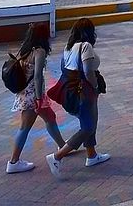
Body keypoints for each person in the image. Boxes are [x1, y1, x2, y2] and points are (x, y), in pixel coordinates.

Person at [46, 18, 109, 178]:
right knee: (88, 127)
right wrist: (95, 86)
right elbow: (87, 71)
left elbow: (64, 67)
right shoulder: (86, 46)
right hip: (85, 91)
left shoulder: (68, 47)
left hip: (72, 89)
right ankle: (57, 156)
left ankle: (92, 155)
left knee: (89, 121)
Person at [6, 23, 69, 173]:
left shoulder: (25, 50)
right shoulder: (39, 52)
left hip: (24, 93)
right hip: (33, 96)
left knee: (50, 117)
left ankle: (62, 146)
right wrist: (39, 99)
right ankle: (13, 161)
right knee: (25, 127)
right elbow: (38, 76)